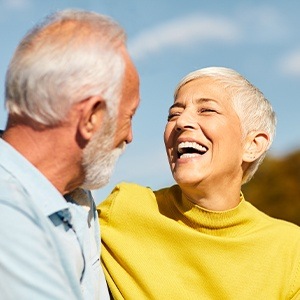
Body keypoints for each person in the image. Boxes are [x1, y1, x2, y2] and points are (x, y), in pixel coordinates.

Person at [98, 67, 300, 299]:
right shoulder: (124, 207)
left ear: (252, 144)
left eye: (207, 110)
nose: (182, 121)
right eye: (173, 114)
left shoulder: (291, 251)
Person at [0, 8, 139, 300]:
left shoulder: (76, 197)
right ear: (91, 117)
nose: (129, 136)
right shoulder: (7, 212)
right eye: (129, 117)